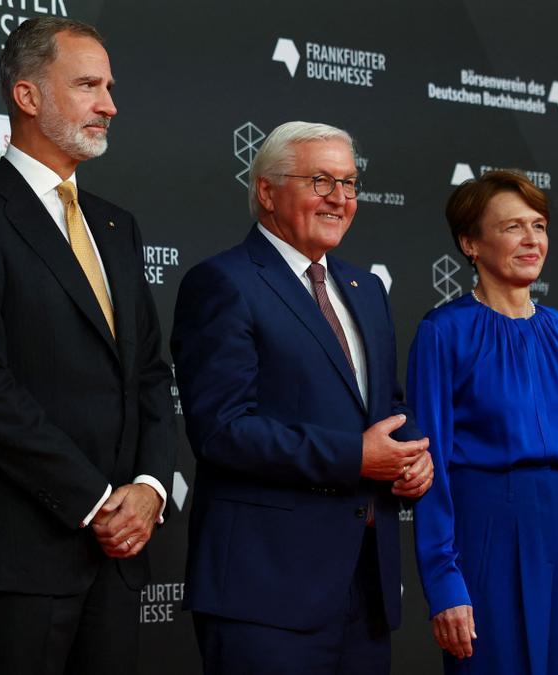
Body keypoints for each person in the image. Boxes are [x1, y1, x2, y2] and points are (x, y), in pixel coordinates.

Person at [0, 17, 175, 675]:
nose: (110, 104)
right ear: (27, 96)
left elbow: (148, 370)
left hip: (119, 559)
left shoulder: (118, 225)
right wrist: (94, 499)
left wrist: (147, 486)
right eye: (88, 84)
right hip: (21, 556)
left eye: (109, 86)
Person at [170, 121, 434, 675]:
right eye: (321, 181)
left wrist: (412, 458)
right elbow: (221, 429)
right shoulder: (223, 283)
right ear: (267, 191)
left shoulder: (366, 289)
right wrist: (355, 456)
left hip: (365, 588)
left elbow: (387, 406)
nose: (340, 198)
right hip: (265, 592)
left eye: (350, 183)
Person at [407, 170, 558, 674]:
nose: (531, 240)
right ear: (470, 243)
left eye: (539, 226)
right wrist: (444, 583)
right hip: (487, 535)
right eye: (513, 227)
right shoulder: (443, 332)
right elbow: (429, 469)